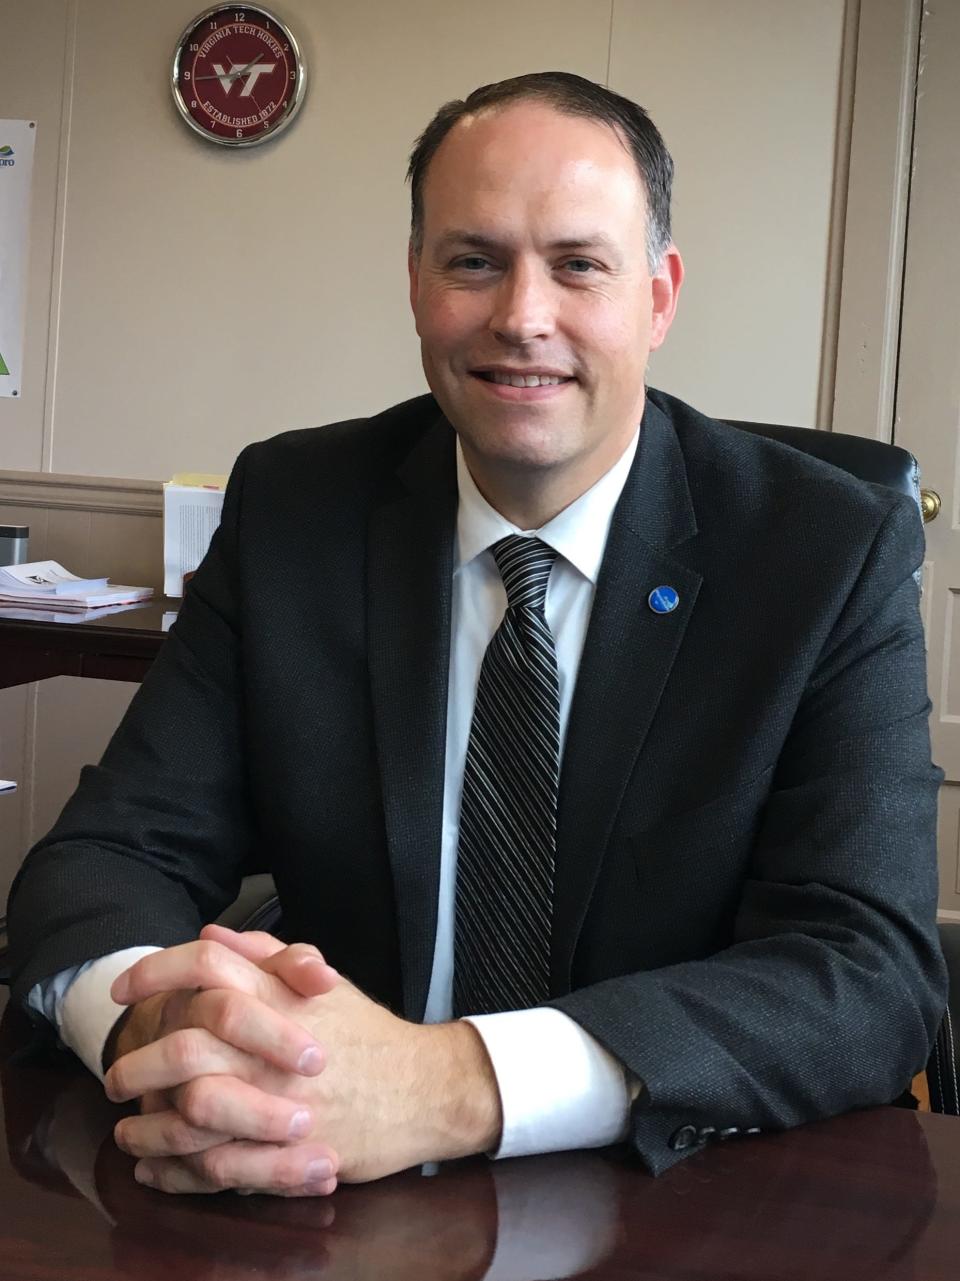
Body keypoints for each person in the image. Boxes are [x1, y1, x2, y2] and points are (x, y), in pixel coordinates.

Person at [7, 71, 946, 1198]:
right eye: (474, 260)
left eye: (579, 264)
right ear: (415, 284)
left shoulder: (824, 548)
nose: (522, 316)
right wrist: (166, 1031)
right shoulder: (299, 509)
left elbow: (867, 972)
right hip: (321, 1182)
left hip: (675, 1191)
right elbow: (109, 855)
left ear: (659, 296)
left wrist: (451, 1081)